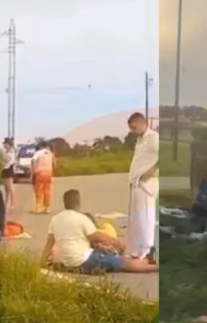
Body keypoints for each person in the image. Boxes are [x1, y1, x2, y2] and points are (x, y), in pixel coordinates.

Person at [40, 189, 158, 274]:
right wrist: (116, 243)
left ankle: (147, 260)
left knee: (116, 258)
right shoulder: (81, 218)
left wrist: (41, 263)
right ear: (78, 203)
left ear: (64, 203)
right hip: (82, 260)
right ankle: (156, 268)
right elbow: (97, 237)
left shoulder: (55, 219)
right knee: (123, 263)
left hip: (64, 261)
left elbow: (49, 244)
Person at [126, 112, 159, 260]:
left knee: (146, 217)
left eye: (134, 127)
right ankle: (139, 249)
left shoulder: (153, 138)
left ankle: (148, 249)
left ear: (142, 123)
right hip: (136, 183)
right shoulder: (140, 140)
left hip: (146, 185)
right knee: (137, 219)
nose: (133, 131)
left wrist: (153, 171)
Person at [31, 141, 55, 214]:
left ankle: (39, 208)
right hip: (49, 172)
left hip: (40, 173)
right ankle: (47, 208)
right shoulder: (50, 153)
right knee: (47, 191)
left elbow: (33, 161)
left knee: (39, 191)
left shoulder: (38, 153)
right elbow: (54, 163)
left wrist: (34, 171)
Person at [0, 137, 17, 211]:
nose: (4, 145)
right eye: (4, 144)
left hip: (9, 169)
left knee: (10, 187)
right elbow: (3, 160)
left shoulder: (12, 152)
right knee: (6, 188)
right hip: (4, 169)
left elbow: (10, 161)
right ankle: (6, 203)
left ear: (9, 145)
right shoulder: (5, 152)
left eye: (6, 144)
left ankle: (12, 203)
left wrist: (4, 160)